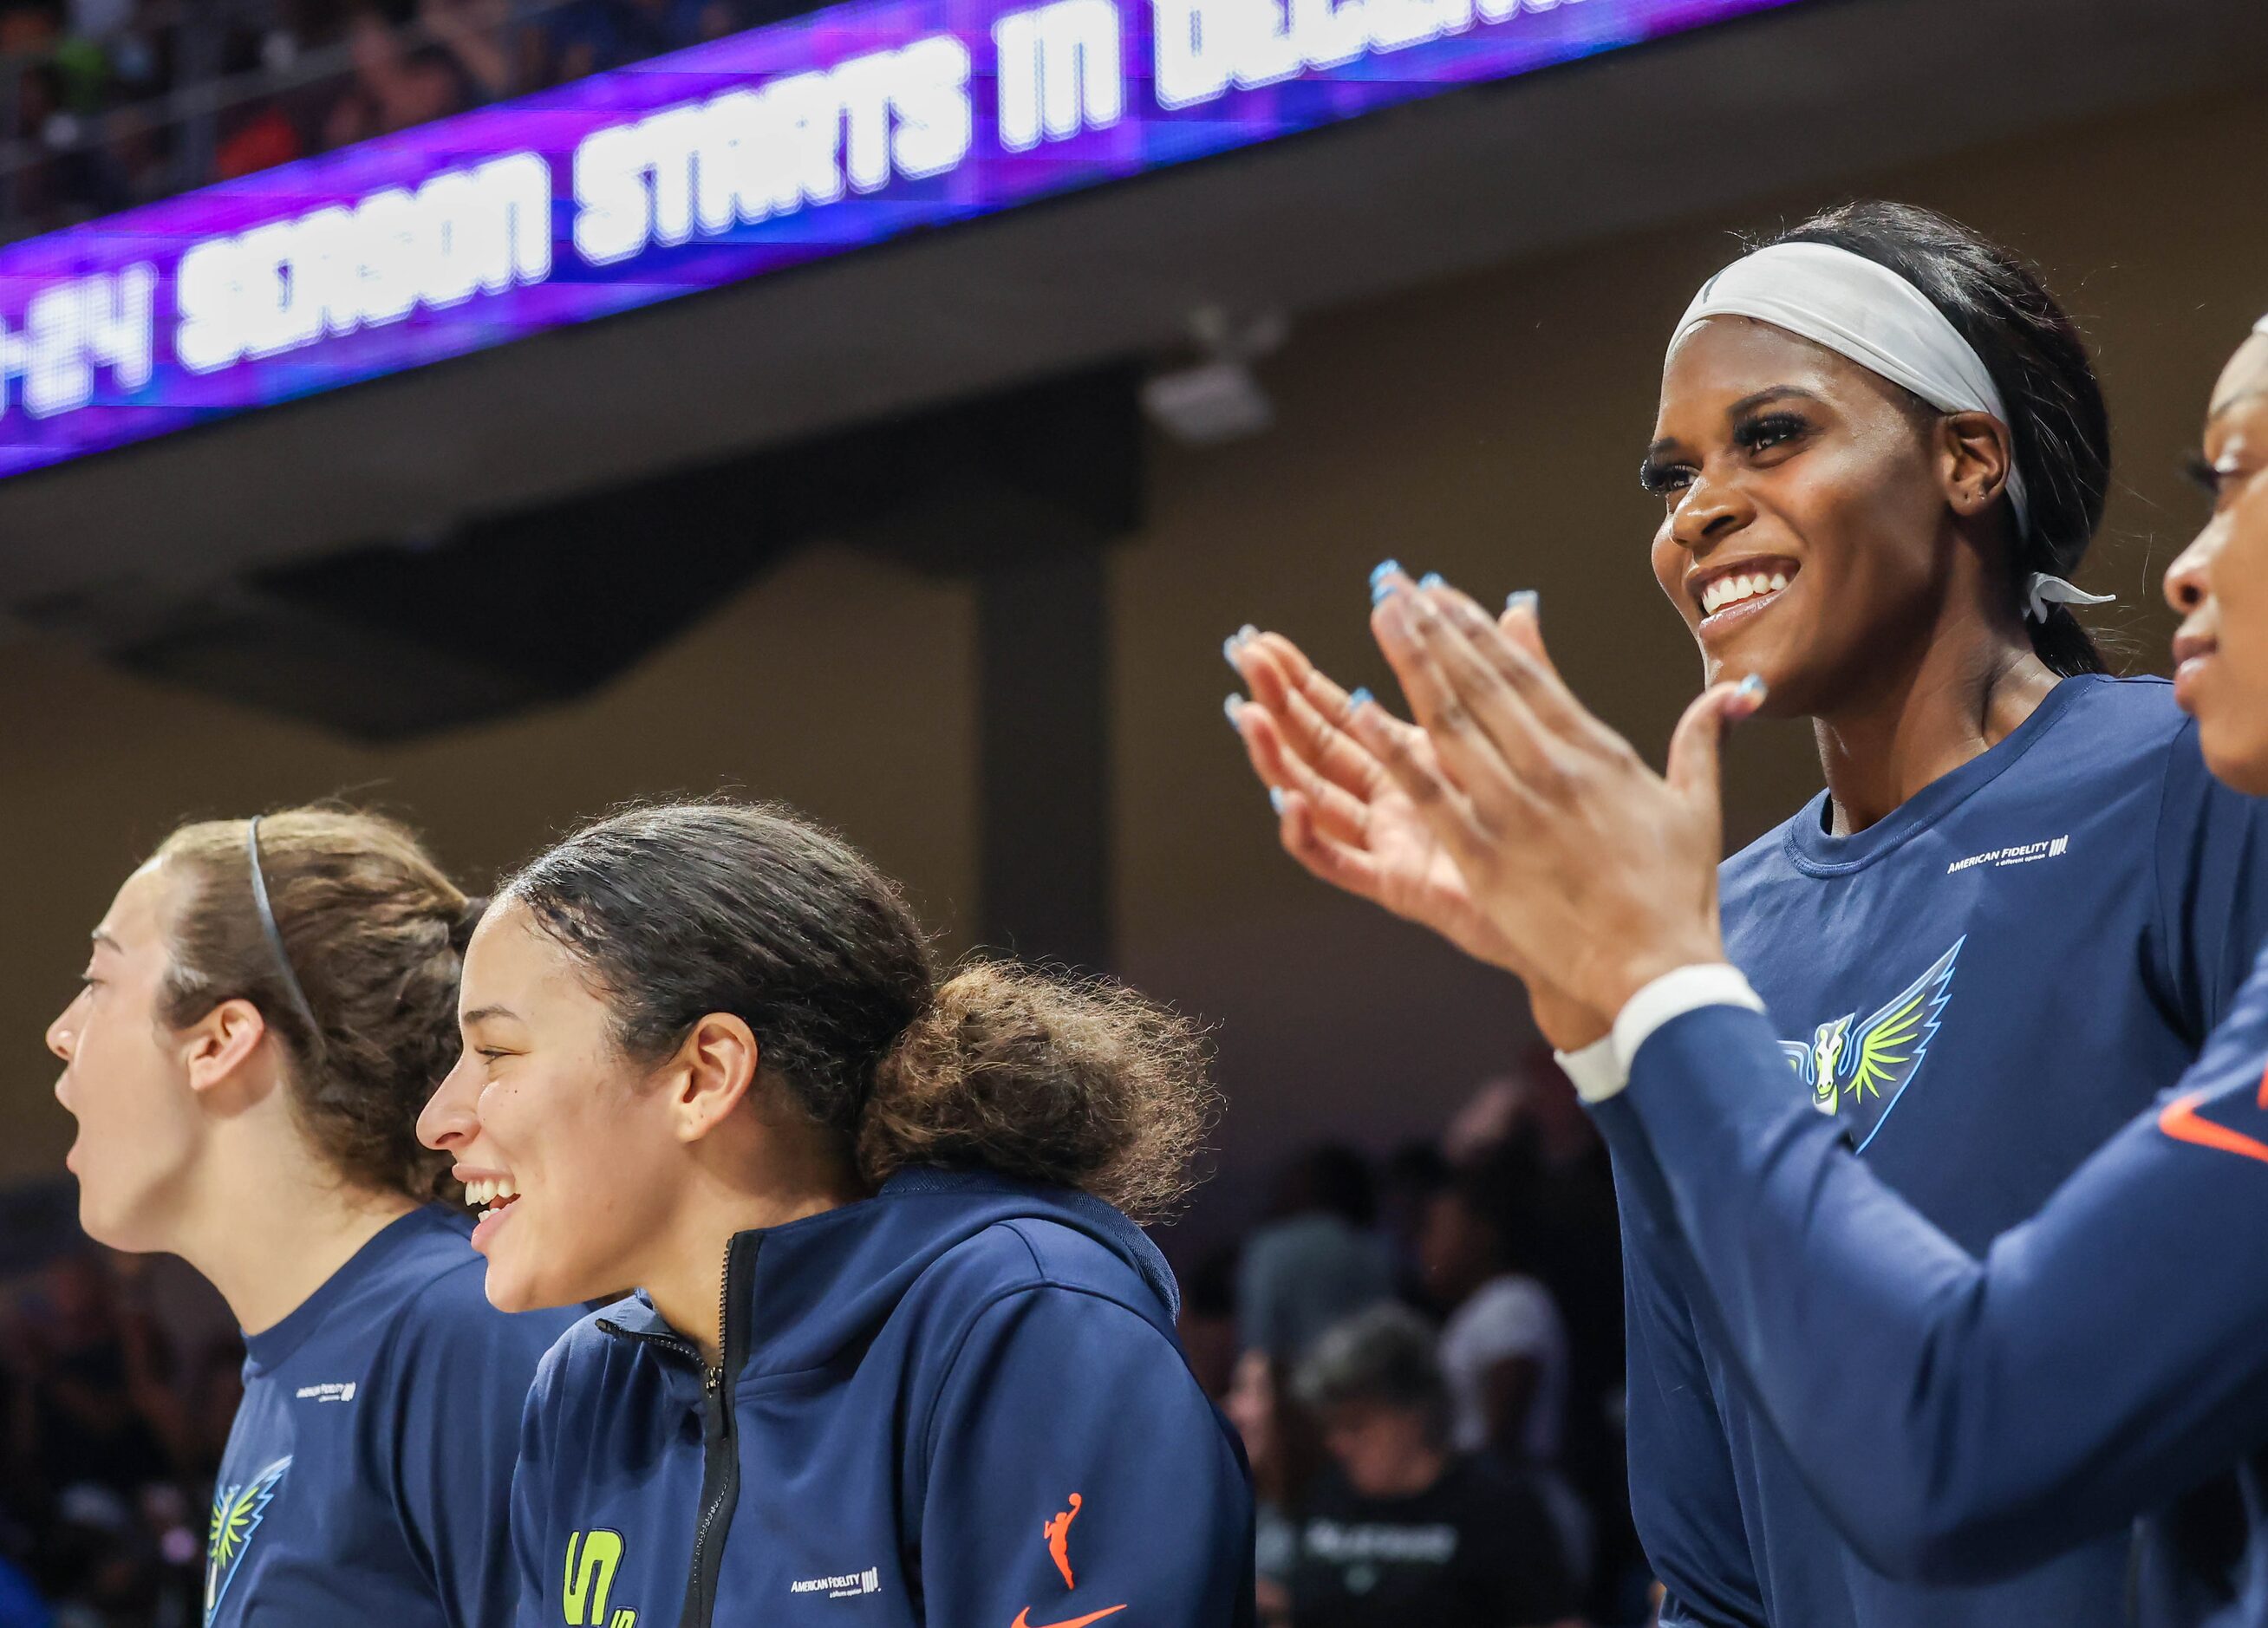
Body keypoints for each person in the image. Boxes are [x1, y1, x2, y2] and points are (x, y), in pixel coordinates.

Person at [1226, 201, 2268, 1628]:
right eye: (1672, 475)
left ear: (1969, 458)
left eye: (1770, 435)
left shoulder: (2188, 778)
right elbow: (1709, 1540)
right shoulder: (1711, 919)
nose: (1698, 508)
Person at [414, 801, 1255, 1628]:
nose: (438, 1119)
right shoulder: (587, 1388)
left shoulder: (1024, 1321)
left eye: (495, 1051)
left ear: (704, 1075)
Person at [42, 808, 581, 1628]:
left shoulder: (461, 1328)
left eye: (98, 983)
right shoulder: (293, 1362)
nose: (60, 1033)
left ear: (220, 1039)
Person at [1286, 1304, 1573, 1628]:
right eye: (1332, 1427)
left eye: (1356, 1425)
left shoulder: (1495, 1506)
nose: (1337, 1444)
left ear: (1414, 1414)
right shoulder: (1328, 1495)